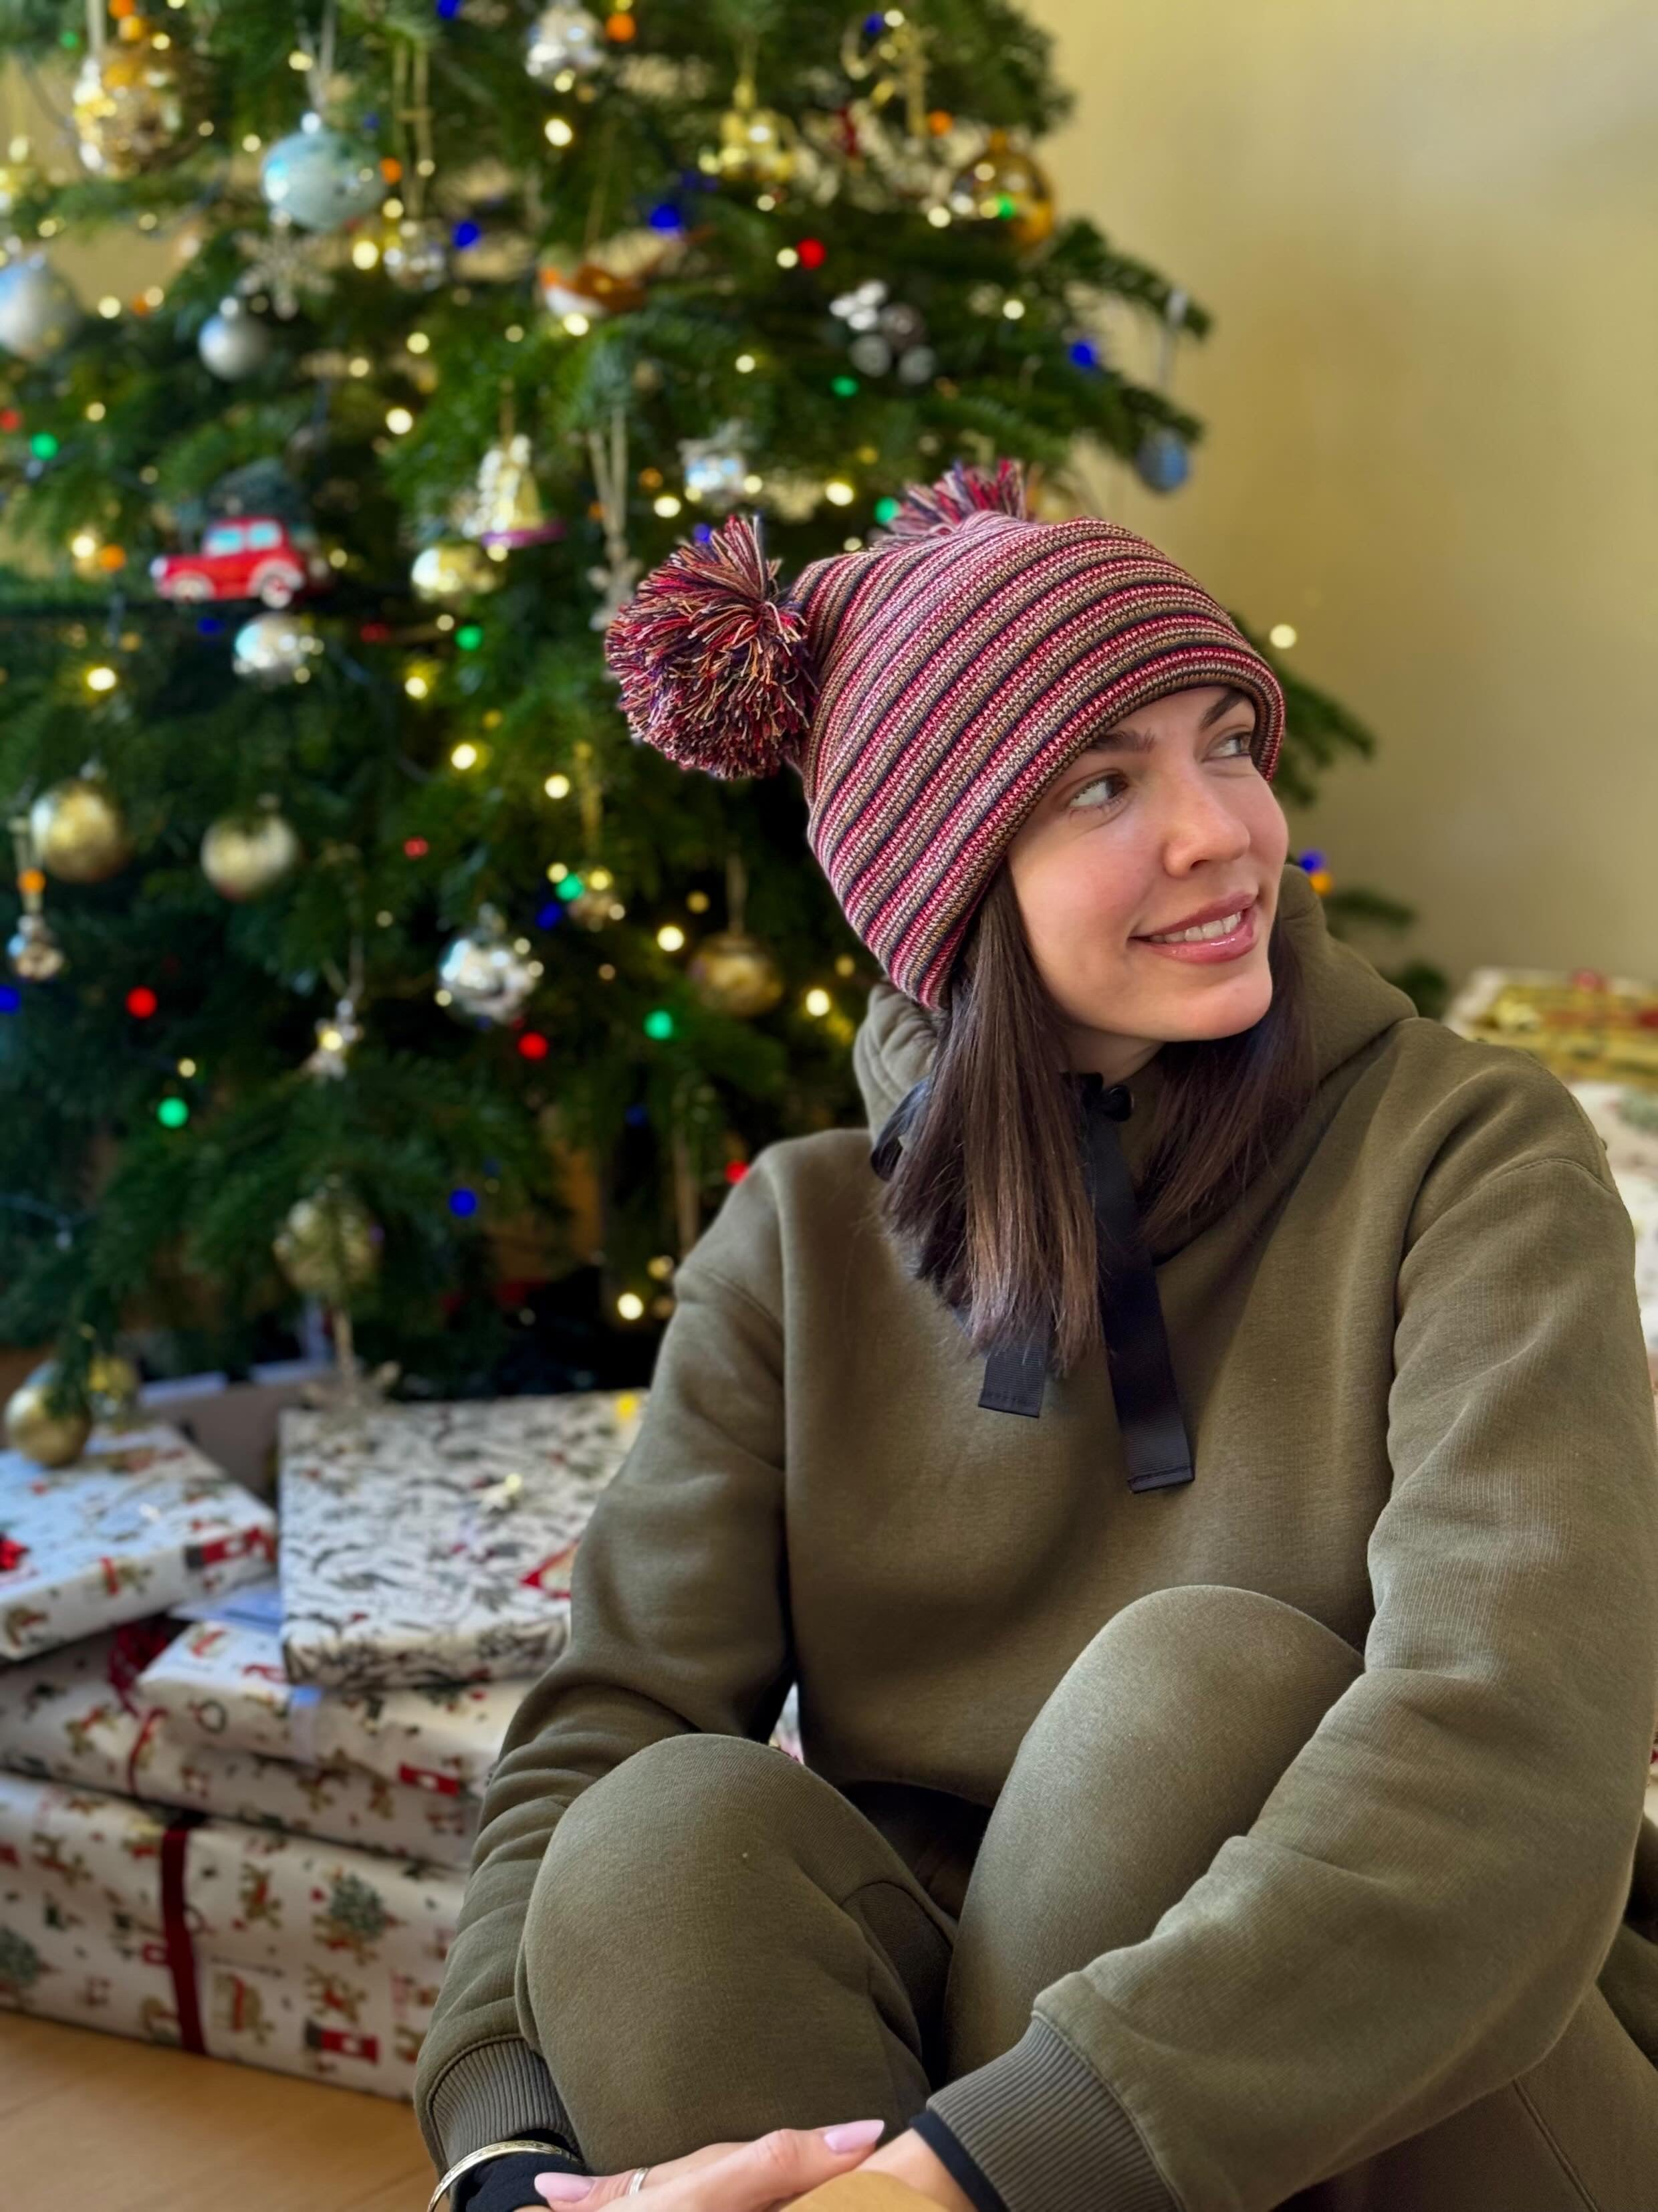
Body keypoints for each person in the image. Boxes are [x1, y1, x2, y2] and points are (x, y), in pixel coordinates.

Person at [414, 458, 1658, 2212]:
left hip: (1439, 2102)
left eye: (1226, 738)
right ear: (947, 885)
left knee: (1188, 1696)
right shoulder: (797, 1235)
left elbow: (1516, 1752)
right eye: (1102, 779)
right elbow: (597, 1731)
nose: (1223, 827)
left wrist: (965, 2180)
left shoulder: (1472, 1154)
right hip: (929, 2096)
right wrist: (506, 2158)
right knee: (652, 1843)